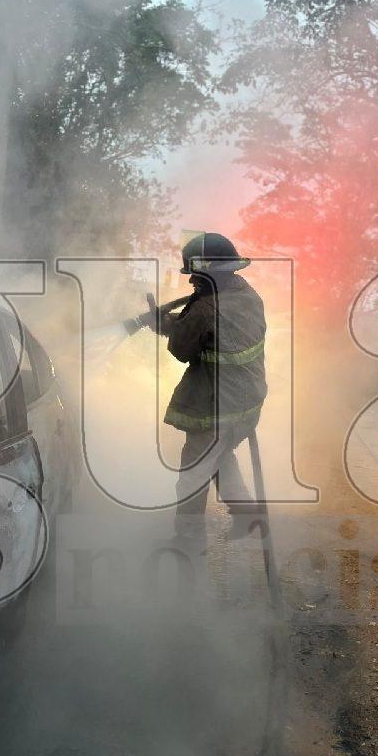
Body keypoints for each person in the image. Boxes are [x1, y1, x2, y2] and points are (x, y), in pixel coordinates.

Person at [128, 232, 268, 555]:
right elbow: (203, 330)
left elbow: (182, 346)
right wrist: (171, 321)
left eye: (194, 273)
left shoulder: (205, 307)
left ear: (207, 271)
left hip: (216, 409)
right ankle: (247, 514)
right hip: (247, 406)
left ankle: (188, 543)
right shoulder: (248, 295)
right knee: (219, 454)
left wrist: (162, 323)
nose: (190, 279)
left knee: (191, 477)